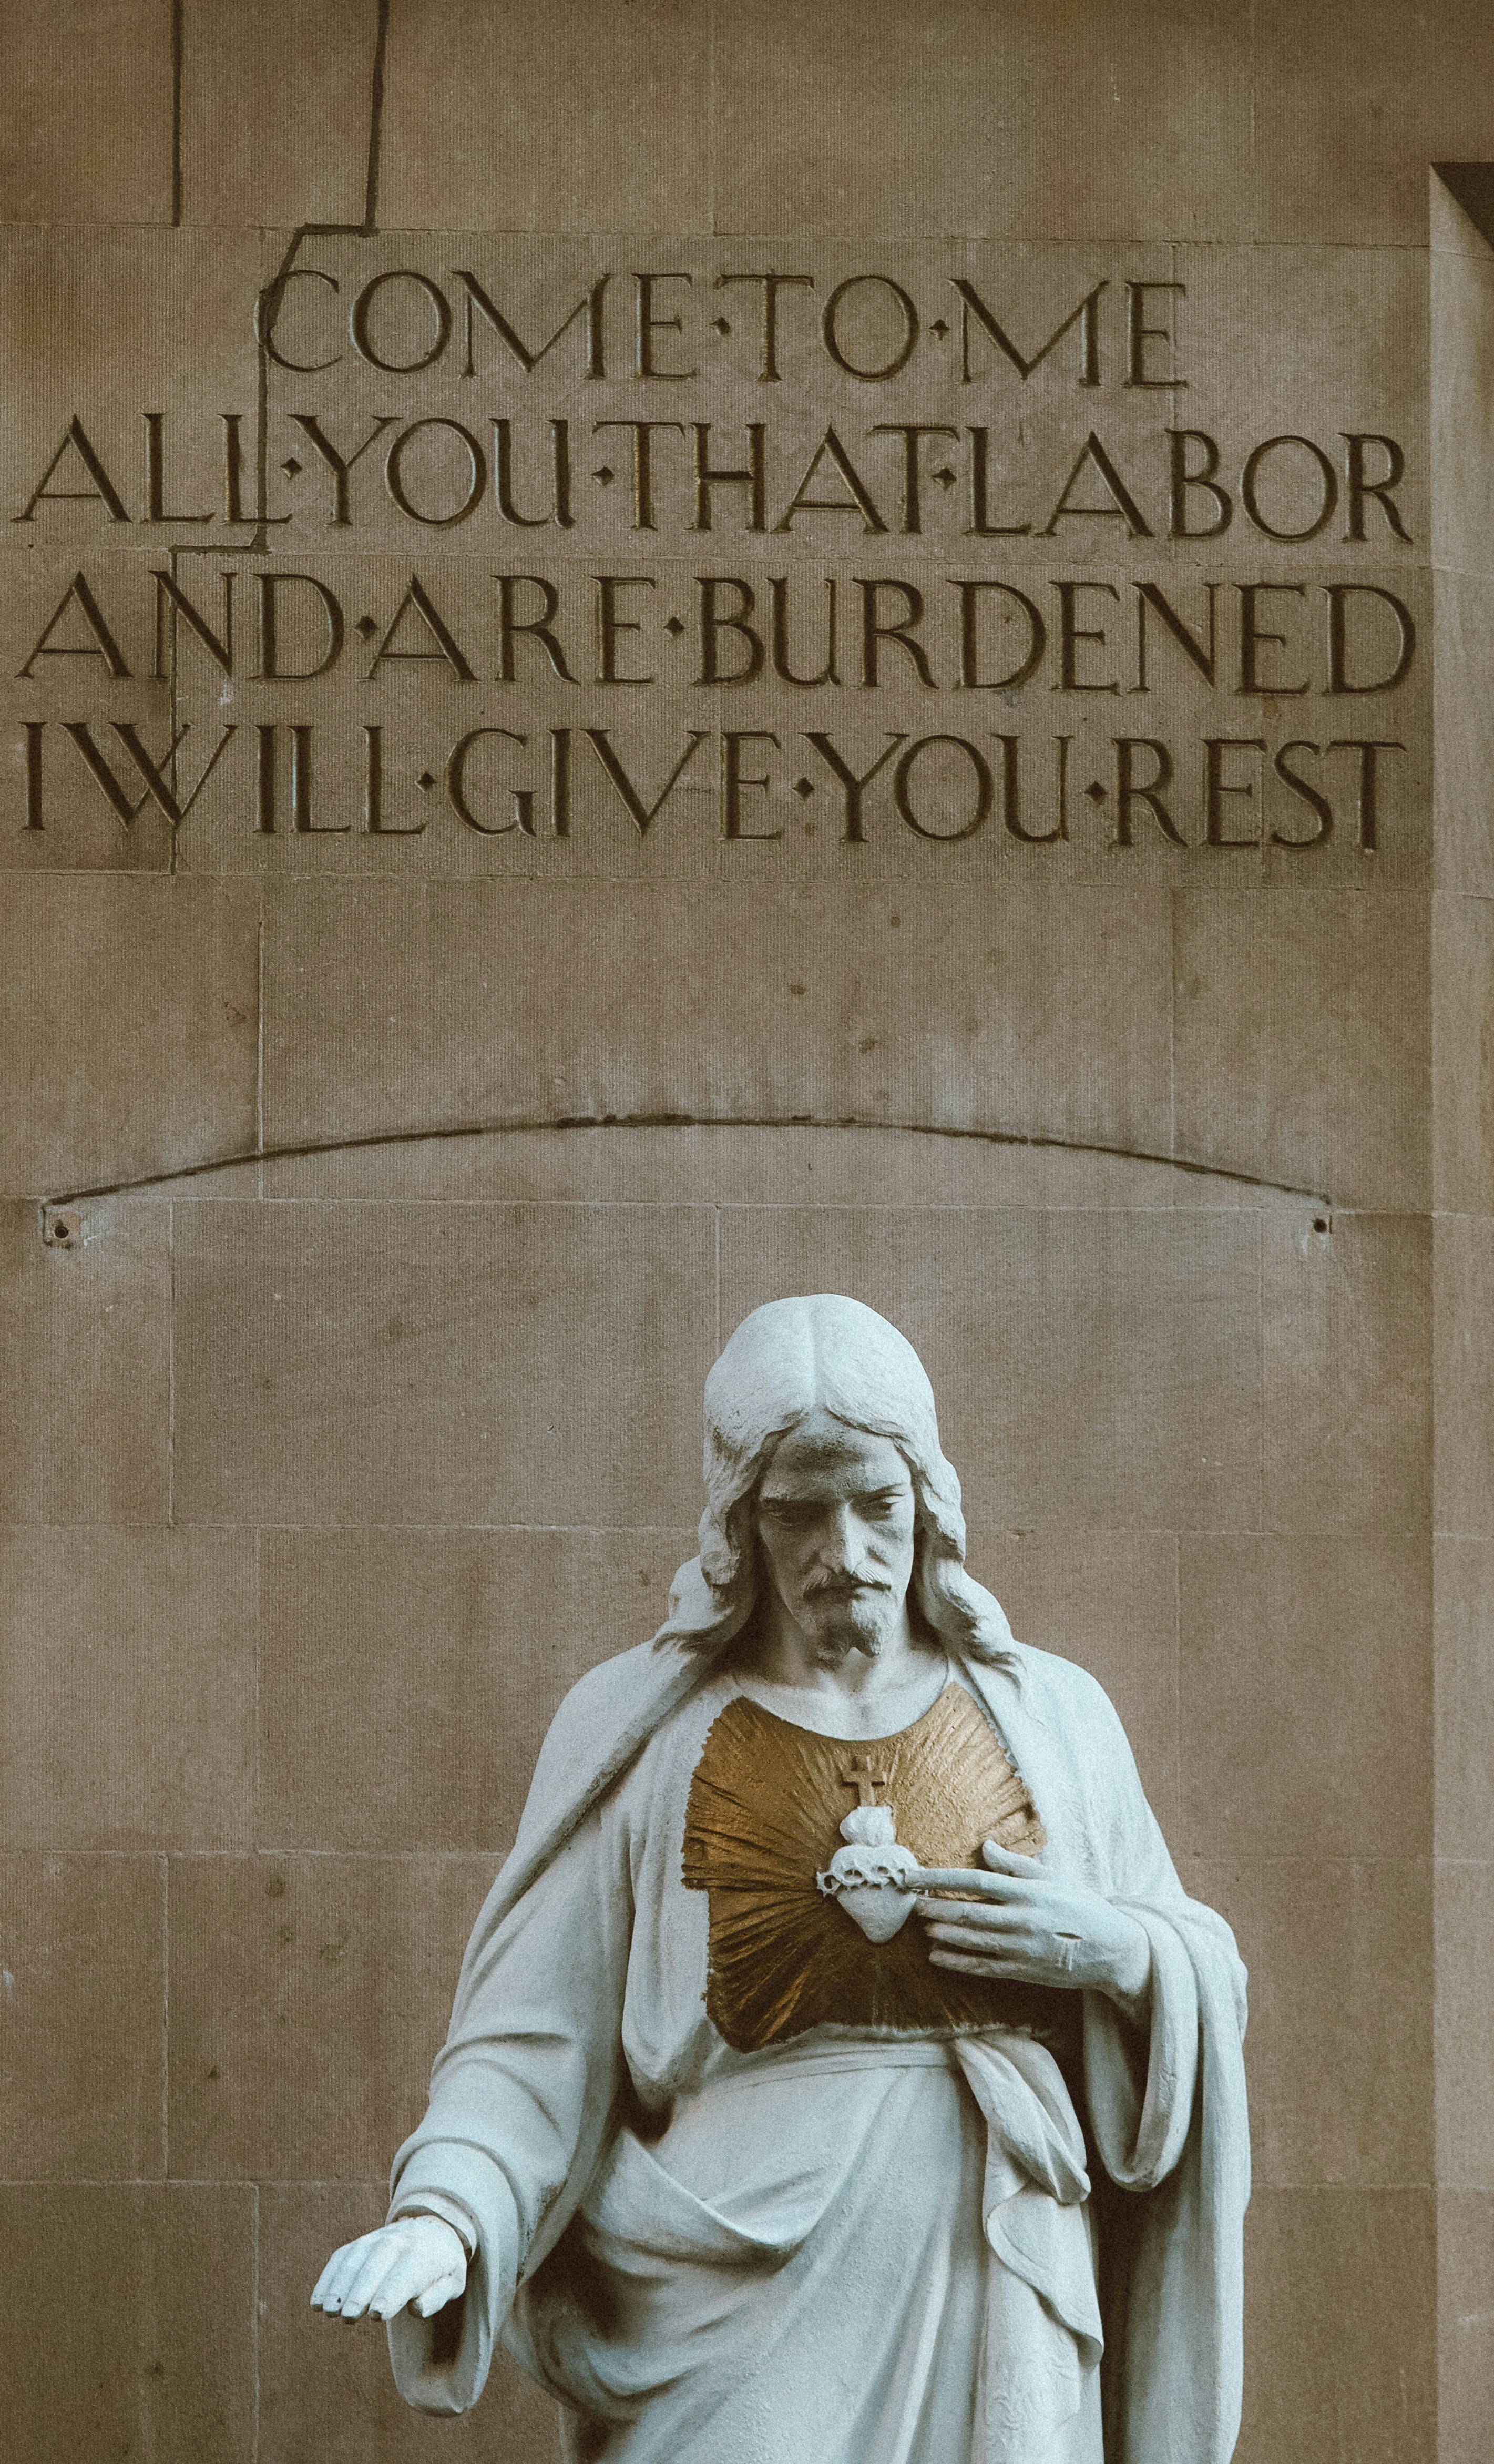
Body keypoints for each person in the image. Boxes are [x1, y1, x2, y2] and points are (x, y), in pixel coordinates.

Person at [312, 1294, 1249, 2464]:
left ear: (928, 1504)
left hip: (993, 2274)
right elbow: (530, 2038)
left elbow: (1197, 1964)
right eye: (798, 1512)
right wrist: (449, 2211)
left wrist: (1117, 1952)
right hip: (723, 2295)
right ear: (737, 1521)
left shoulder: (1050, 1715)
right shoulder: (639, 1729)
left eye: (877, 1506)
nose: (843, 1553)